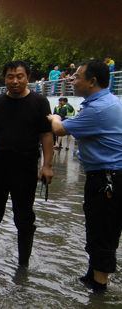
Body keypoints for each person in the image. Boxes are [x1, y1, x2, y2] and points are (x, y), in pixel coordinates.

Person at [47, 59, 122, 291]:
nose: (72, 80)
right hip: (108, 177)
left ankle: (98, 292)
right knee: (101, 228)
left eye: (77, 77)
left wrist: (54, 118)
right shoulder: (108, 102)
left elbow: (59, 130)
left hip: (106, 179)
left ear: (92, 81)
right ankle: (92, 277)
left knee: (101, 231)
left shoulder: (99, 109)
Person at [0, 60, 54, 268]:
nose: (15, 81)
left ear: (28, 77)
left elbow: (47, 135)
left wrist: (47, 166)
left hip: (26, 168)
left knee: (24, 217)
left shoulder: (39, 102)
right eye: (10, 77)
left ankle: (23, 265)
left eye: (20, 76)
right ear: (5, 79)